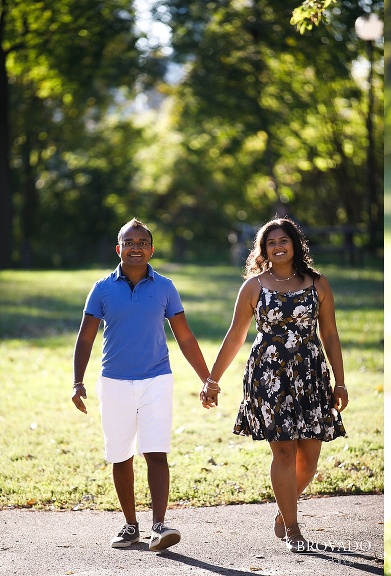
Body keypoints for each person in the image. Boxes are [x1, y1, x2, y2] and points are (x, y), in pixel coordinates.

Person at [201, 217, 348, 553]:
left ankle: (285, 510)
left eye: (284, 241)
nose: (278, 247)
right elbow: (236, 334)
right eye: (271, 243)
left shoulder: (318, 284)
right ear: (263, 249)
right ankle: (294, 529)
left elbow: (330, 334)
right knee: (283, 451)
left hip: (311, 375)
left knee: (309, 459)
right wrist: (213, 379)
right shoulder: (254, 286)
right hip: (269, 376)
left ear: (295, 244)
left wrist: (340, 382)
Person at [71, 218, 211, 551]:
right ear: (119, 249)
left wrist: (207, 377)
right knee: (120, 456)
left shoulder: (165, 286)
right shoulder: (102, 288)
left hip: (157, 379)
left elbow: (186, 336)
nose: (136, 247)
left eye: (142, 242)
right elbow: (85, 338)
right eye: (129, 242)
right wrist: (77, 381)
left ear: (151, 249)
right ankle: (130, 526)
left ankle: (159, 526)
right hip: (114, 381)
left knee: (156, 452)